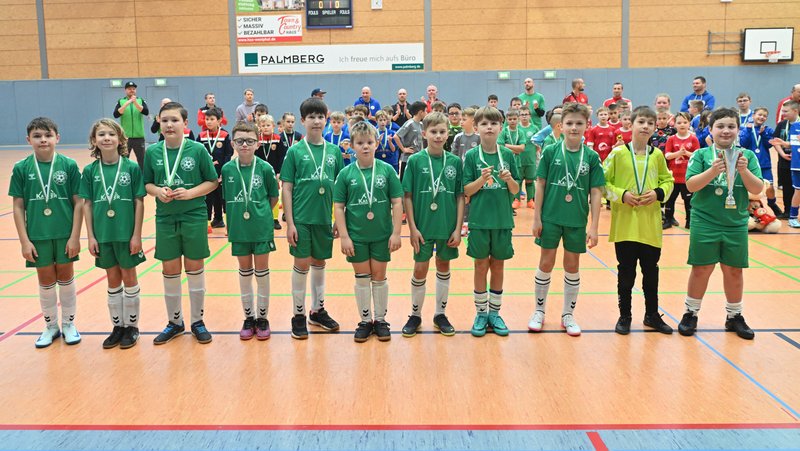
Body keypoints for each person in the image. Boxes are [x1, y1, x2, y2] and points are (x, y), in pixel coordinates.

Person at [679, 107, 763, 340]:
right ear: (710, 129)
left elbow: (757, 189)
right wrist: (713, 171)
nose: (726, 131)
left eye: (731, 126)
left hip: (735, 222)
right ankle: (690, 312)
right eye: (720, 126)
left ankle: (734, 316)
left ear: (738, 130)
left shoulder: (747, 156)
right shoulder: (701, 155)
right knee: (701, 268)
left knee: (734, 270)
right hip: (705, 221)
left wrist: (743, 171)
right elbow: (691, 185)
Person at [143, 102, 219, 345]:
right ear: (159, 123)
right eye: (165, 120)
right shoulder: (153, 152)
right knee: (170, 270)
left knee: (194, 267)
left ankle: (197, 321)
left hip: (194, 216)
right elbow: (147, 184)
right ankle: (175, 322)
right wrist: (157, 191)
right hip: (165, 218)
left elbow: (212, 181)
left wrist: (190, 193)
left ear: (185, 123)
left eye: (174, 120)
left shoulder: (197, 150)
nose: (169, 124)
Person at [529, 103, 605, 337]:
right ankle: (539, 311)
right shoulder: (550, 151)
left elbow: (596, 192)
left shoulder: (591, 157)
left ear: (586, 125)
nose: (574, 127)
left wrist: (594, 226)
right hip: (550, 218)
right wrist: (536, 218)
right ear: (560, 126)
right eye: (569, 123)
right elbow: (540, 184)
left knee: (572, 266)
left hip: (576, 220)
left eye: (578, 123)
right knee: (546, 263)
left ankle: (567, 315)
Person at [9, 117, 82, 348]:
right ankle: (51, 326)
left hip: (64, 234)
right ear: (28, 140)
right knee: (46, 279)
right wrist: (24, 241)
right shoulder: (21, 168)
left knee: (66, 276)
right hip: (37, 234)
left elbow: (78, 203)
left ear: (57, 138)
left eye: (48, 135)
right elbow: (18, 206)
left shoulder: (69, 165)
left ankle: (69, 324)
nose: (43, 140)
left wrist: (75, 236)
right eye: (37, 136)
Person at [602, 107, 674, 335]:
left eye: (650, 123)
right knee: (626, 273)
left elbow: (668, 181)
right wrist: (621, 195)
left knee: (651, 273)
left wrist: (658, 193)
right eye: (641, 121)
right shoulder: (617, 153)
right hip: (625, 226)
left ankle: (652, 314)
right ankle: (625, 315)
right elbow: (602, 183)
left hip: (650, 225)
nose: (645, 126)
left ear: (655, 127)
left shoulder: (657, 155)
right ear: (630, 125)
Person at [333, 121, 403, 342]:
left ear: (377, 143)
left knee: (379, 277)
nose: (365, 146)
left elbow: (397, 202)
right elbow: (338, 207)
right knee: (362, 278)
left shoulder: (387, 170)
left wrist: (396, 233)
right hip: (357, 237)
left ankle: (380, 320)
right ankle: (365, 321)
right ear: (352, 145)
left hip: (382, 235)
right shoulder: (346, 174)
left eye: (369, 142)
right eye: (360, 143)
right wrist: (344, 237)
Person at [281, 97, 344, 340]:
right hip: (301, 219)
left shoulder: (334, 151)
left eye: (320, 117)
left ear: (325, 120)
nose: (316, 121)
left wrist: (339, 220)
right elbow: (287, 188)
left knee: (320, 262)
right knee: (302, 264)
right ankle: (298, 315)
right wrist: (290, 223)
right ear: (303, 120)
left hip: (324, 219)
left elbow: (340, 189)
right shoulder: (295, 151)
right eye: (311, 117)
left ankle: (317, 311)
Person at [80, 119, 146, 349]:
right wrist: (90, 236)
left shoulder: (131, 167)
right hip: (103, 235)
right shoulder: (90, 171)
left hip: (126, 234)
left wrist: (136, 235)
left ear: (120, 139)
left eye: (111, 134)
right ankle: (118, 326)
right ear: (94, 140)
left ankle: (132, 327)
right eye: (101, 134)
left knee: (129, 276)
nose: (106, 138)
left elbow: (139, 201)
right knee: (112, 278)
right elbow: (87, 204)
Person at [399, 112, 464, 338]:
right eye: (433, 131)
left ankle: (440, 314)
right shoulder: (415, 161)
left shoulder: (454, 162)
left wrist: (458, 229)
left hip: (447, 226)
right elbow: (407, 196)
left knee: (444, 266)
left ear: (448, 134)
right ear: (424, 133)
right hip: (423, 227)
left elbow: (460, 196)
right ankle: (415, 315)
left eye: (442, 132)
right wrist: (412, 228)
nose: (438, 136)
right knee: (420, 268)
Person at [463, 106, 520, 337]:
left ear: (500, 127)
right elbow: (467, 190)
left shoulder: (507, 155)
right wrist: (481, 179)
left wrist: (509, 180)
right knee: (480, 266)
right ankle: (480, 313)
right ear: (476, 127)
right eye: (484, 124)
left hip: (502, 221)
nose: (489, 127)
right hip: (479, 221)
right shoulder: (471, 156)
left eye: (494, 123)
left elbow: (515, 190)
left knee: (498, 266)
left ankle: (494, 313)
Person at [222, 122, 280, 341]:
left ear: (257, 143)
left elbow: (273, 197)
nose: (244, 145)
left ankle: (262, 318)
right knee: (245, 271)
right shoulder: (227, 169)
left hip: (261, 228)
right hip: (239, 228)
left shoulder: (265, 168)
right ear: (233, 144)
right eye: (240, 141)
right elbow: (228, 198)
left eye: (249, 141)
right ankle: (249, 317)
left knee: (262, 272)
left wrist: (260, 213)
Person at [739, 107, 782, 216]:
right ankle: (751, 208)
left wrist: (763, 134)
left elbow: (769, 145)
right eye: (759, 114)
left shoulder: (768, 130)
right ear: (753, 116)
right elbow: (743, 144)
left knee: (770, 187)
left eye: (764, 116)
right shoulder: (746, 128)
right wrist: (748, 130)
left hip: (764, 164)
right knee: (749, 188)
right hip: (750, 165)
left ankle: (772, 204)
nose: (762, 117)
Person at [664, 112, 701, 229]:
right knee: (670, 200)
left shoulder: (693, 139)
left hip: (687, 177)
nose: (682, 125)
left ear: (689, 124)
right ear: (675, 124)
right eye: (679, 122)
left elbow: (697, 156)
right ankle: (668, 219)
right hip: (673, 177)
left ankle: (689, 221)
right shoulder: (671, 139)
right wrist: (678, 153)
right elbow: (667, 155)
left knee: (688, 201)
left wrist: (686, 153)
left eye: (685, 122)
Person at [198, 108, 232, 231]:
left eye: (212, 119)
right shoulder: (201, 136)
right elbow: (198, 153)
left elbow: (228, 153)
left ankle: (222, 221)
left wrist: (224, 170)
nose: (209, 122)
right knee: (208, 198)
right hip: (207, 173)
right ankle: (207, 223)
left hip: (221, 172)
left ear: (219, 121)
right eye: (207, 119)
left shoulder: (225, 135)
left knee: (221, 197)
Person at [255, 114, 284, 230]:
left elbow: (281, 156)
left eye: (268, 125)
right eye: (263, 126)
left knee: (274, 194)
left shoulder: (277, 139)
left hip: (274, 172)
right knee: (260, 194)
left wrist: (279, 172)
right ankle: (261, 217)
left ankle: (275, 219)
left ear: (273, 126)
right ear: (259, 127)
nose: (265, 127)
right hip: (259, 172)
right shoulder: (257, 139)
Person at [772, 101, 799, 219]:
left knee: (797, 188)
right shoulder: (782, 124)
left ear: (795, 111)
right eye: (782, 111)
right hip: (784, 161)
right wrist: (782, 154)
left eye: (786, 111)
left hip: (798, 161)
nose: (783, 113)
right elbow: (776, 141)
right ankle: (788, 211)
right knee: (787, 187)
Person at [113, 81, 149, 168]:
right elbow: (116, 114)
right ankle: (123, 174)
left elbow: (146, 112)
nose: (132, 90)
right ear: (125, 90)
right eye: (129, 89)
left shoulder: (141, 101)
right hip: (125, 137)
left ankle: (143, 176)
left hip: (139, 136)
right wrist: (127, 103)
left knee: (142, 160)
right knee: (123, 159)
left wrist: (135, 102)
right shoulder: (121, 101)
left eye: (133, 89)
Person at [497, 109, 525, 210]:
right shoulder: (504, 132)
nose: (512, 121)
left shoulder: (520, 132)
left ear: (518, 119)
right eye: (510, 119)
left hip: (517, 161)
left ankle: (515, 201)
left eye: (514, 119)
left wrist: (507, 146)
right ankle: (507, 204)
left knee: (516, 181)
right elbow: (500, 146)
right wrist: (515, 150)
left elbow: (522, 148)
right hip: (505, 161)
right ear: (506, 120)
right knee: (505, 182)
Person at [394, 101, 427, 180]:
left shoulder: (421, 124)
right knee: (405, 181)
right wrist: (403, 149)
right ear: (420, 112)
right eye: (425, 111)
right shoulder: (409, 123)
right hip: (407, 159)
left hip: (418, 158)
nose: (426, 113)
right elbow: (396, 136)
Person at [517, 108, 541, 208]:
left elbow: (538, 144)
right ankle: (516, 200)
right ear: (519, 117)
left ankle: (530, 200)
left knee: (530, 180)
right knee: (517, 180)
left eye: (526, 114)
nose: (524, 116)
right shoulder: (516, 128)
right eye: (522, 114)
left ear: (530, 116)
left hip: (531, 160)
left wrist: (536, 153)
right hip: (518, 160)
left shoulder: (535, 128)